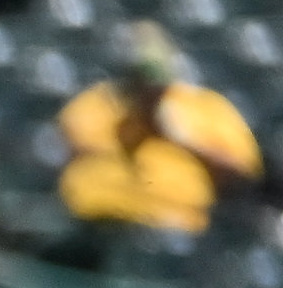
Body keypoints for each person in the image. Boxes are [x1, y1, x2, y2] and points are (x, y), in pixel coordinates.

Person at [54, 22, 260, 262]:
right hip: (98, 226)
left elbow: (243, 173)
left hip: (176, 233)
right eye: (139, 80)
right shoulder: (98, 103)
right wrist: (132, 126)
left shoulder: (205, 106)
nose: (148, 89)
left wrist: (180, 137)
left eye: (154, 81)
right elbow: (75, 147)